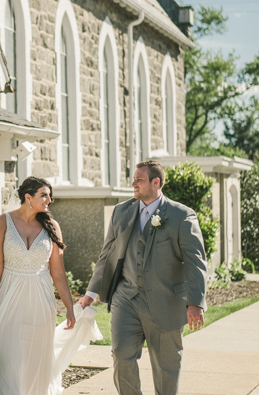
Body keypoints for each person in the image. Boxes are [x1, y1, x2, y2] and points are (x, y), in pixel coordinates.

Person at [78, 160, 208, 395]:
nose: (133, 183)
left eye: (139, 179)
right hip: (126, 298)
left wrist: (195, 302)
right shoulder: (121, 211)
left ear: (155, 182)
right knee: (121, 356)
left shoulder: (182, 216)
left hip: (166, 301)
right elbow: (106, 254)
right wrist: (90, 293)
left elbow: (195, 262)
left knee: (166, 368)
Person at [0, 176, 78, 395]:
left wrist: (69, 307)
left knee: (34, 360)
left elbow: (58, 272)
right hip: (8, 298)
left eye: (50, 195)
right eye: (44, 195)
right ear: (28, 197)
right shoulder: (2, 223)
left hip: (40, 301)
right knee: (9, 360)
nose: (49, 200)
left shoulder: (52, 226)